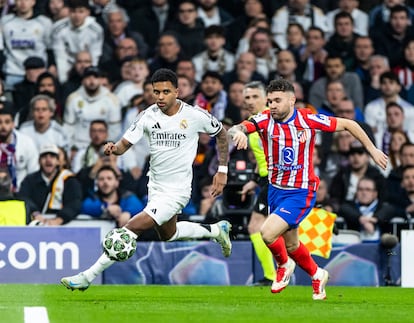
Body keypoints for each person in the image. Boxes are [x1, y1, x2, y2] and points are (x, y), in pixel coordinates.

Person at [61, 68, 232, 291]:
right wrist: (114, 149)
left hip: (178, 190)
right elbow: (125, 144)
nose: (160, 97)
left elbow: (221, 134)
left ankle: (87, 276)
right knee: (169, 235)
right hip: (156, 186)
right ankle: (217, 231)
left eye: (166, 92)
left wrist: (222, 171)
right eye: (156, 92)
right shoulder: (147, 115)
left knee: (130, 228)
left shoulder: (194, 115)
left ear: (177, 92)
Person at [228, 78, 387, 300]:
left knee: (266, 232)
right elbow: (241, 126)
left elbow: (350, 124)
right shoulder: (264, 119)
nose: (272, 105)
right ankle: (317, 274)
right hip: (275, 190)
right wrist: (238, 132)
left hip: (300, 191)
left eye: (277, 100)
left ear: (292, 100)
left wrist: (372, 149)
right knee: (292, 244)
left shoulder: (307, 119)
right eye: (270, 100)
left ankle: (283, 266)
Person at [239, 81, 275, 286]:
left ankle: (273, 276)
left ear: (265, 98)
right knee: (273, 230)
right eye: (247, 98)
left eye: (255, 97)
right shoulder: (254, 122)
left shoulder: (271, 120)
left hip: (275, 179)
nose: (251, 101)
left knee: (256, 227)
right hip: (265, 179)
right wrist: (254, 181)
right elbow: (261, 157)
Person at [18, 143, 82, 225]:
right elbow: (23, 198)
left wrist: (60, 219)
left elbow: (75, 203)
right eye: (44, 157)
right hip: (35, 223)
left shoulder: (69, 180)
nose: (48, 160)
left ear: (58, 161)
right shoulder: (29, 180)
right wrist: (34, 212)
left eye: (52, 156)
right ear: (39, 161)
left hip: (64, 225)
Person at [80, 165, 144, 227]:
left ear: (117, 182)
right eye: (101, 179)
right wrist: (105, 208)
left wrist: (128, 213)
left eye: (109, 178)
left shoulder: (127, 196)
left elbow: (139, 206)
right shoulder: (92, 197)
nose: (105, 182)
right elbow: (85, 207)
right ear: (97, 183)